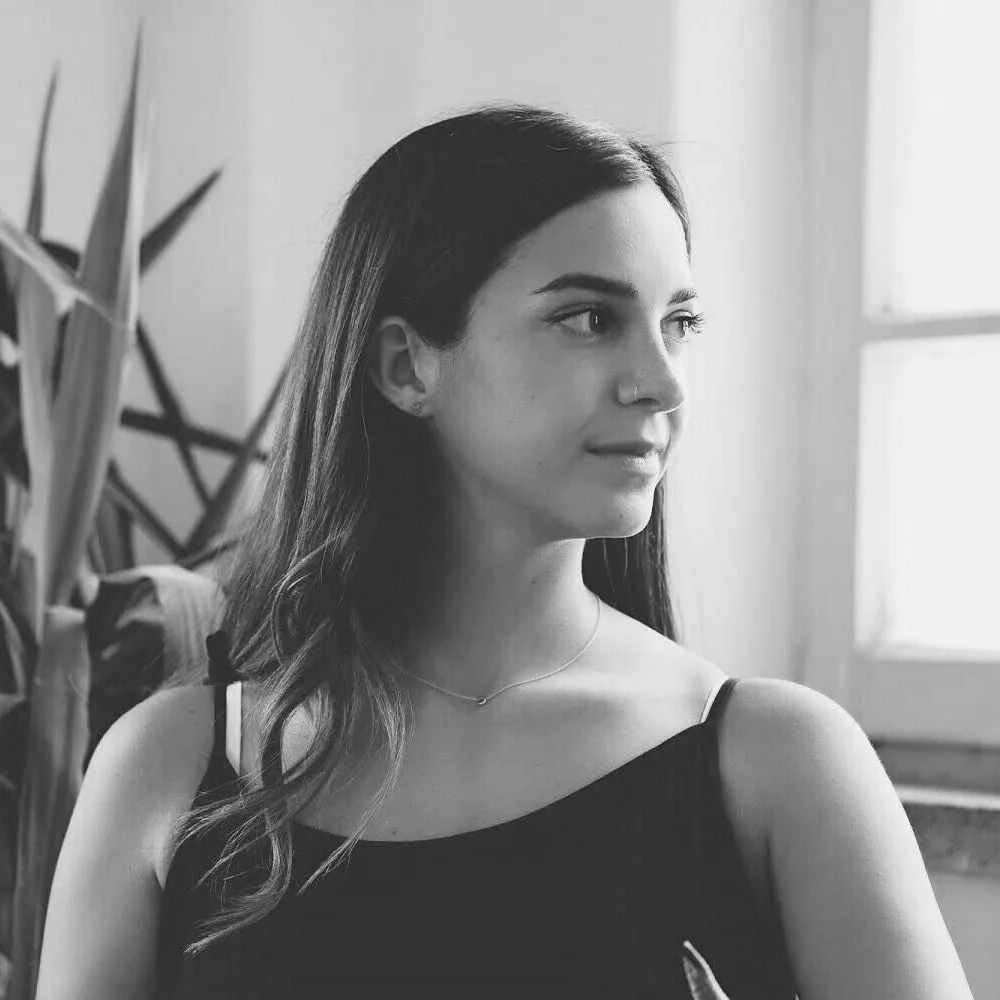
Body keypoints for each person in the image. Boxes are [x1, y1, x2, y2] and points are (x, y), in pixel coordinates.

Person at [35, 103, 974, 999]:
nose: (662, 382)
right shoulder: (166, 770)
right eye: (590, 318)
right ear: (406, 365)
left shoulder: (777, 766)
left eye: (679, 323)